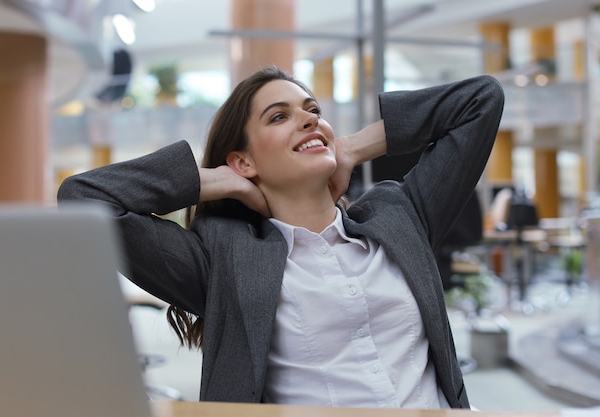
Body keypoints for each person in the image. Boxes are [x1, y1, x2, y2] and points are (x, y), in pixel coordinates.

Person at [57, 66, 504, 409]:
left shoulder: (398, 217)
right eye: (280, 116)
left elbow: (481, 100)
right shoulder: (223, 261)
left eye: (314, 112)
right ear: (243, 161)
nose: (310, 121)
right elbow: (84, 197)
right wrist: (215, 180)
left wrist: (355, 145)